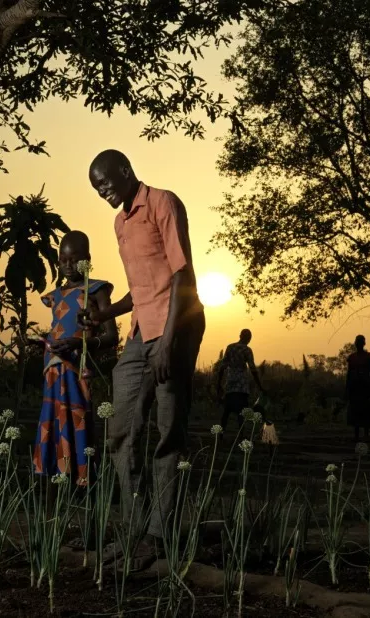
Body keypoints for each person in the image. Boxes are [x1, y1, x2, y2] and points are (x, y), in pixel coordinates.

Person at [82, 149, 205, 572]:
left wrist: (168, 342)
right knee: (120, 430)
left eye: (107, 184)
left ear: (127, 172)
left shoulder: (163, 203)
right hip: (140, 332)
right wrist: (104, 314)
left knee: (168, 431)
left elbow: (179, 277)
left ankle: (157, 536)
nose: (103, 193)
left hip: (177, 327)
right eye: (97, 189)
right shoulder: (120, 222)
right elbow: (142, 288)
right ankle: (134, 529)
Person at [29, 231, 118, 486]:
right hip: (53, 367)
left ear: (87, 259)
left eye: (74, 259)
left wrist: (80, 343)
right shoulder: (55, 296)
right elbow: (57, 328)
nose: (67, 265)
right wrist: (41, 343)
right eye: (62, 259)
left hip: (78, 367)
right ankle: (51, 478)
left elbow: (111, 336)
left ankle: (81, 480)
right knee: (52, 418)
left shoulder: (96, 291)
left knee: (77, 418)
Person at [214, 329, 264, 430]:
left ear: (240, 336)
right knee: (242, 410)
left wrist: (219, 383)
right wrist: (260, 386)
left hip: (230, 381)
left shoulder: (230, 347)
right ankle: (241, 434)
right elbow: (253, 369)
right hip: (242, 384)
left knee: (227, 409)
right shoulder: (247, 350)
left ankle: (220, 434)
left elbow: (222, 367)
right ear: (249, 338)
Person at [345, 335, 370, 440]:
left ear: (363, 344)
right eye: (358, 342)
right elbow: (349, 374)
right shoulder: (352, 357)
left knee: (365, 411)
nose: (359, 344)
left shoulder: (369, 357)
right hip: (355, 388)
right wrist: (347, 389)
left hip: (365, 388)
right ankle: (357, 435)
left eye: (361, 342)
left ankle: (366, 435)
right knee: (355, 411)